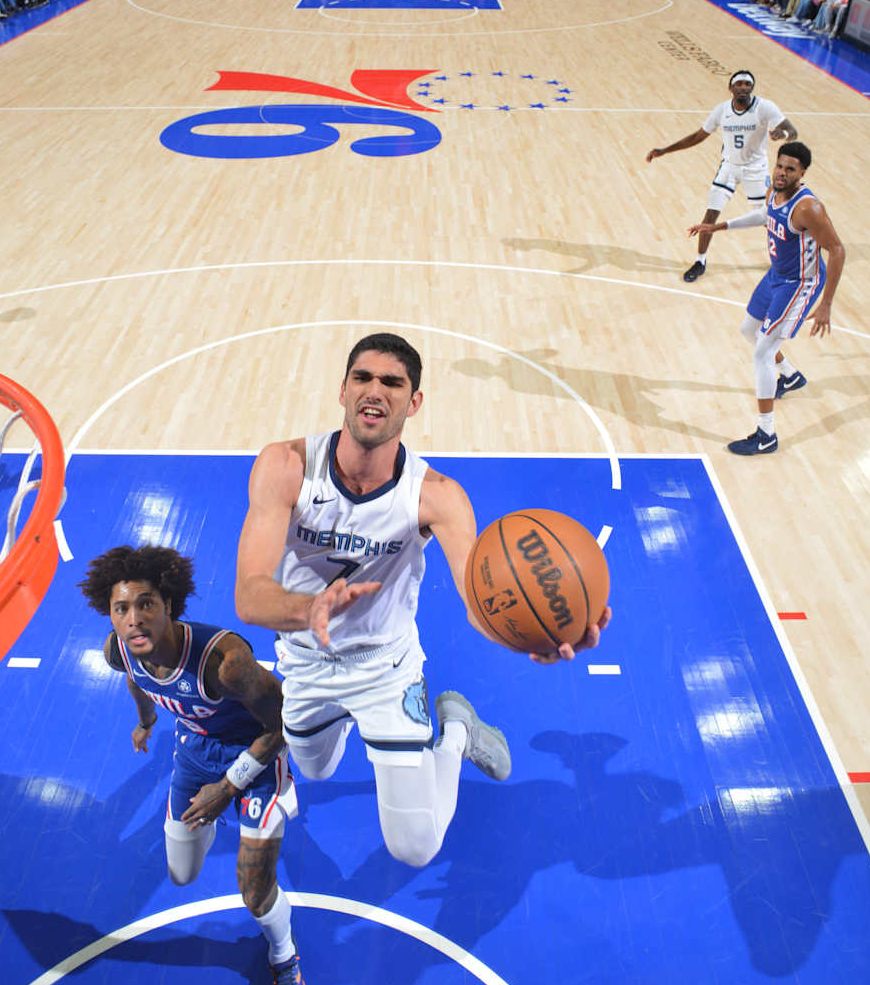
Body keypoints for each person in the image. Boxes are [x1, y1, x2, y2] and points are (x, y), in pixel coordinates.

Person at [234, 333, 608, 871]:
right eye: (363, 378)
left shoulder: (437, 496)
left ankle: (454, 730)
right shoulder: (286, 465)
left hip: (385, 665)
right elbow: (250, 595)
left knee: (415, 847)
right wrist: (306, 609)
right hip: (306, 659)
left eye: (393, 383)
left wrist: (538, 638)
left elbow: (478, 600)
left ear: (414, 403)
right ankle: (351, 723)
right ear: (342, 390)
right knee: (314, 771)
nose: (375, 390)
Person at [79, 545, 306, 985]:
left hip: (254, 760)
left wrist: (228, 788)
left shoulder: (223, 662)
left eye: (146, 605)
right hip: (195, 754)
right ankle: (225, 819)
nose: (134, 619)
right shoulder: (119, 649)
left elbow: (284, 723)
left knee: (254, 889)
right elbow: (139, 683)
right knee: (182, 873)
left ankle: (283, 956)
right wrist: (144, 724)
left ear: (169, 606)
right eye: (122, 609)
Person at [687, 142, 846, 455]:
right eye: (780, 166)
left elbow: (837, 249)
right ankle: (789, 375)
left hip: (800, 282)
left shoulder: (808, 208)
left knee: (762, 352)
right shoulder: (774, 190)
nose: (783, 173)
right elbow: (764, 215)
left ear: (802, 173)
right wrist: (719, 226)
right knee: (748, 330)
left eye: (791, 169)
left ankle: (766, 434)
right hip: (777, 274)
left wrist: (826, 303)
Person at [646, 69, 798, 283]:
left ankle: (788, 258)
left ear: (752, 88)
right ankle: (700, 261)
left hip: (755, 169)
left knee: (769, 218)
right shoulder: (721, 110)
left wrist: (782, 134)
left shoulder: (765, 107)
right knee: (710, 215)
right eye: (740, 84)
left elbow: (792, 131)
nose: (744, 87)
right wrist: (665, 150)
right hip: (729, 166)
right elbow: (698, 136)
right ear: (731, 88)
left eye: (748, 84)